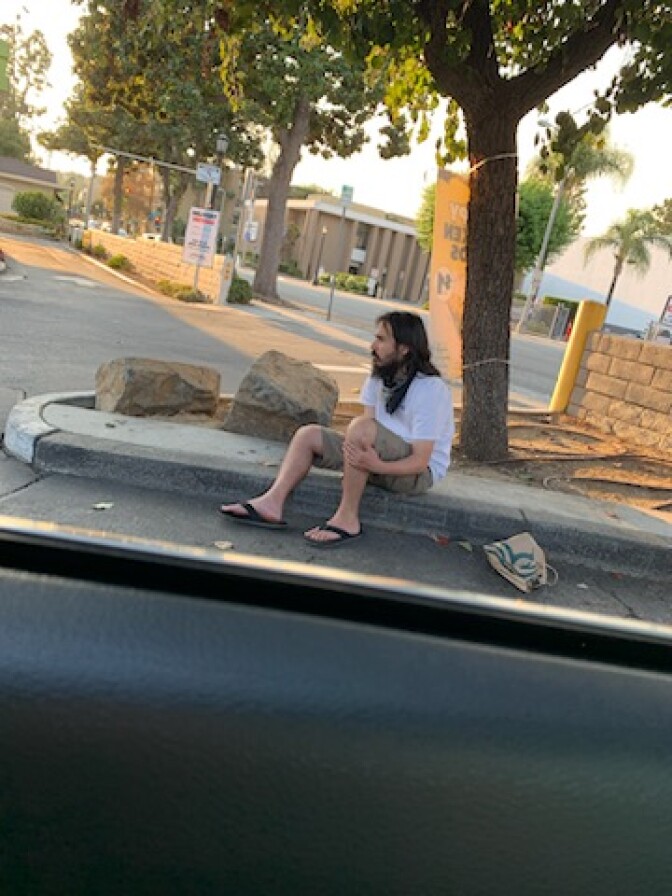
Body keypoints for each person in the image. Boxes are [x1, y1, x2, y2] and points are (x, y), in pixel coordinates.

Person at [220, 311, 455, 547]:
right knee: (308, 435)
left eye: (381, 340)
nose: (373, 346)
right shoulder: (379, 377)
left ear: (404, 349)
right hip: (375, 459)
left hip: (414, 475)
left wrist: (377, 466)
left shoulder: (430, 389)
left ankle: (347, 519)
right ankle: (271, 503)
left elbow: (421, 461)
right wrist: (363, 462)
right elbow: (367, 434)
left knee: (360, 428)